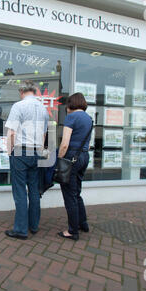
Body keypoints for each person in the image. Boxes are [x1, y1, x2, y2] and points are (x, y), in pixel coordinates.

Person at [4, 80, 49, 240]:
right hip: (36, 152)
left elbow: (11, 133)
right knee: (34, 190)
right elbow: (44, 135)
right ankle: (34, 225)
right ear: (34, 92)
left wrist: (10, 153)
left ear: (21, 91)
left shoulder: (19, 106)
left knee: (20, 191)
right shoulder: (43, 109)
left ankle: (21, 229)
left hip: (21, 151)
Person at [57, 93, 92, 241]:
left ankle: (73, 231)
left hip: (71, 158)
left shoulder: (71, 118)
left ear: (71, 104)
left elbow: (65, 143)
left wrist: (59, 160)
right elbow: (88, 143)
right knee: (77, 191)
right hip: (84, 156)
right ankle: (83, 223)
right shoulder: (89, 119)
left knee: (69, 195)